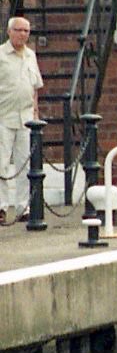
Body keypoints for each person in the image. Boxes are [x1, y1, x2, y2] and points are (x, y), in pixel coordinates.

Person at [0, 16, 43, 224]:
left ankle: (23, 206)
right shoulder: (0, 54)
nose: (22, 34)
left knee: (25, 164)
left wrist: (36, 113)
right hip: (3, 116)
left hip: (25, 118)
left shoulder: (31, 56)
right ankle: (1, 206)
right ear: (9, 32)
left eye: (26, 31)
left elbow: (35, 87)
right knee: (1, 164)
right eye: (18, 30)